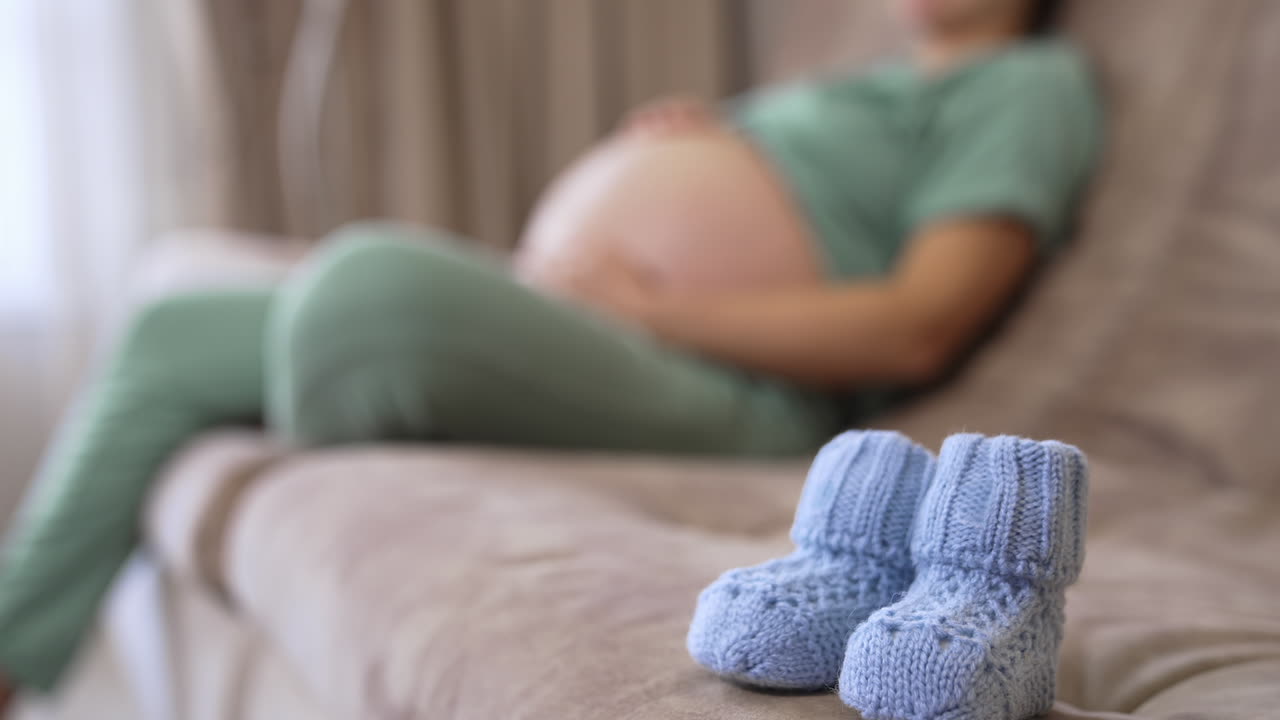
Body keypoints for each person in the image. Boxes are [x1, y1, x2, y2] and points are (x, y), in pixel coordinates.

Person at [0, 0, 1099, 705]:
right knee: (170, 321)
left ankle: (377, 376)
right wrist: (712, 143)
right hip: (588, 322)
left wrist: (649, 304)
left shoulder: (1024, 85)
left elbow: (918, 319)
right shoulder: (855, 81)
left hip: (734, 390)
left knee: (364, 292)